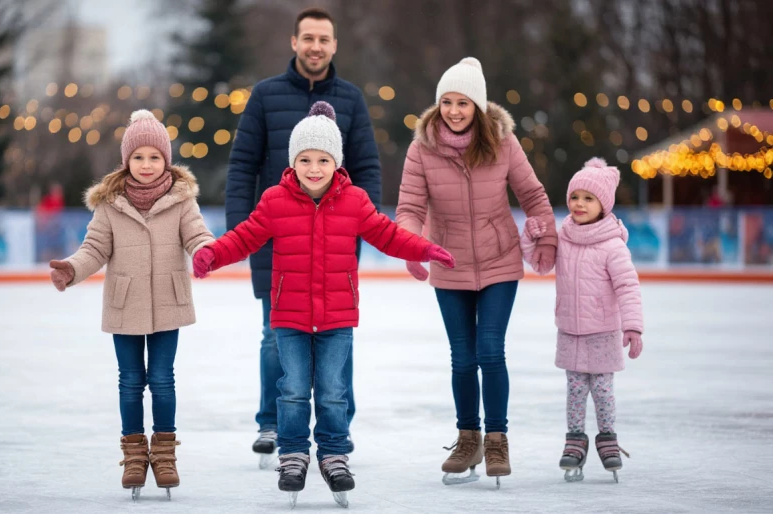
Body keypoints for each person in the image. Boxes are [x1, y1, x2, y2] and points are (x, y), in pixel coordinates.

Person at [195, 102, 454, 506]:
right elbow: (244, 237)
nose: (313, 168)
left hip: (337, 317)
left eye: (322, 160)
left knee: (334, 391)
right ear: (292, 161)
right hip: (290, 317)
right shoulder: (275, 201)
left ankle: (334, 453)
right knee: (294, 389)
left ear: (336, 162)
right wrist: (213, 253)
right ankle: (293, 453)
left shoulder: (354, 201)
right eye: (305, 159)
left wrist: (426, 249)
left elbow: (388, 235)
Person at [225, 6, 381, 463]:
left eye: (324, 39)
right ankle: (271, 423)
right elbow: (242, 166)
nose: (315, 46)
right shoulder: (265, 95)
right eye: (307, 37)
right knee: (275, 336)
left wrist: (360, 222)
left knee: (337, 337)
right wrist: (241, 231)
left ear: (335, 46)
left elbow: (367, 166)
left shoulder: (351, 99)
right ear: (294, 42)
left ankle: (338, 430)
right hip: (276, 240)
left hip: (333, 244)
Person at [395, 57, 557, 487]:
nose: (453, 110)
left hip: (500, 261)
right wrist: (411, 243)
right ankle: (468, 438)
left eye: (462, 103)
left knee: (490, 350)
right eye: (446, 102)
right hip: (449, 265)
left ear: (478, 107)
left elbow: (533, 195)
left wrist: (545, 238)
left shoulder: (503, 143)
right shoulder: (422, 147)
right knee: (462, 358)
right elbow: (410, 209)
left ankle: (497, 438)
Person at [47, 110, 215, 500]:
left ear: (166, 160)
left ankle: (165, 455)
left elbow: (198, 235)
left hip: (168, 303)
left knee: (162, 380)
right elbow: (94, 249)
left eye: (154, 157)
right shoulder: (110, 204)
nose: (146, 164)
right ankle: (135, 455)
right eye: (138, 157)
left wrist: (207, 251)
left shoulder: (181, 199)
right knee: (129, 383)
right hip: (125, 305)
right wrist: (71, 269)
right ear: (126, 161)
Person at [521, 157, 644, 483]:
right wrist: (531, 238)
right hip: (571, 330)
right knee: (575, 390)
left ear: (603, 205)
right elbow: (540, 263)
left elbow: (628, 285)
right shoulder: (564, 236)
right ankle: (575, 442)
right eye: (575, 196)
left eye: (588, 198)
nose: (578, 204)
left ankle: (608, 440)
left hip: (602, 331)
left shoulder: (612, 245)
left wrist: (632, 325)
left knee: (602, 390)